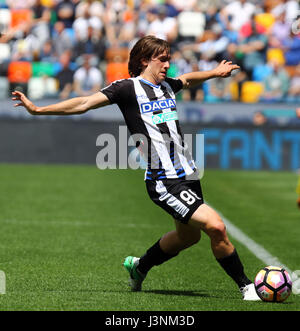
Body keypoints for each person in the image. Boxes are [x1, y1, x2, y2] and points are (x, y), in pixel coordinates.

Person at [11, 35, 259, 301]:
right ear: (144, 60)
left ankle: (139, 266)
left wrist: (216, 73)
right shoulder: (127, 88)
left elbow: (188, 79)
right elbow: (83, 103)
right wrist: (38, 109)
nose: (167, 65)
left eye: (169, 60)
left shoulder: (167, 86)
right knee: (216, 227)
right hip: (164, 179)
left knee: (187, 238)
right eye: (162, 59)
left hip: (188, 174)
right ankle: (247, 287)